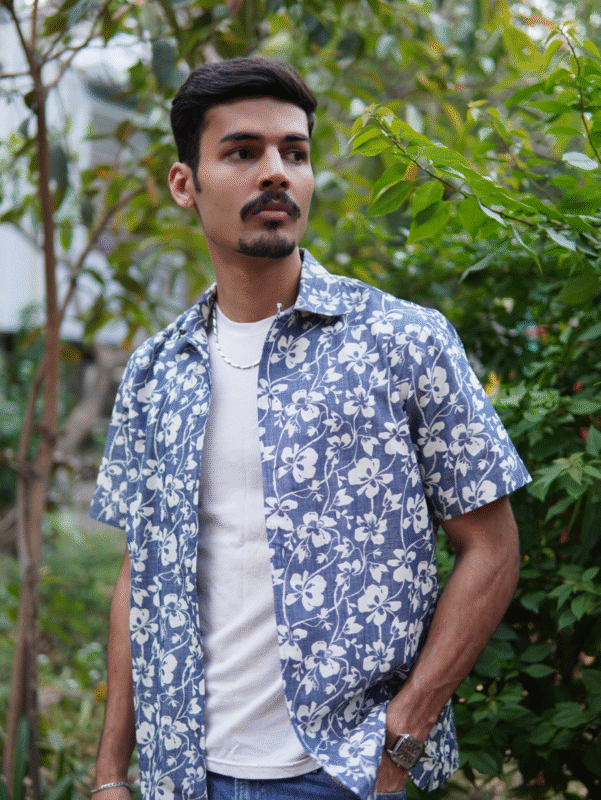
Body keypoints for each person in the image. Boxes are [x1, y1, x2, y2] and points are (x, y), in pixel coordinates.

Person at [90, 58, 530, 800]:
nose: (276, 172)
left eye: (293, 152)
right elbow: (142, 573)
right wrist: (110, 775)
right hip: (182, 774)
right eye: (242, 152)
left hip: (341, 772)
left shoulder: (402, 341)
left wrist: (404, 732)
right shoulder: (156, 369)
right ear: (184, 184)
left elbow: (492, 546)